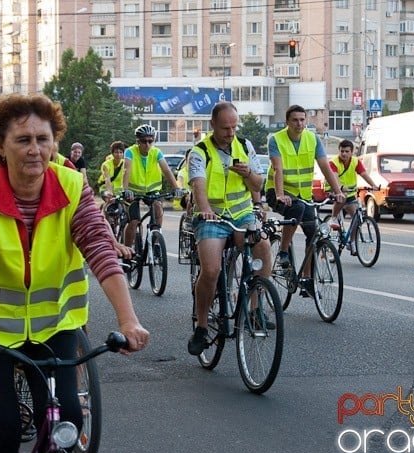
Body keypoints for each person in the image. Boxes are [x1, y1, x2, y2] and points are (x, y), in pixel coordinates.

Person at [0, 93, 149, 453]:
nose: (35, 149)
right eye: (23, 140)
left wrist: (128, 320)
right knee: (1, 427)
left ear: (55, 142)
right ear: (0, 145)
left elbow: (100, 250)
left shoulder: (72, 186)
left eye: (43, 139)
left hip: (54, 326)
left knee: (66, 417)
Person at [186, 102, 271, 355]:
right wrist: (205, 210)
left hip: (242, 213)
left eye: (234, 127)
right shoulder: (200, 152)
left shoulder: (245, 146)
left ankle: (254, 310)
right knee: (211, 270)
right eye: (225, 128)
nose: (231, 132)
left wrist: (248, 174)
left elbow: (258, 184)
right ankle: (201, 326)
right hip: (213, 216)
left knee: (263, 247)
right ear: (212, 125)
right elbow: (198, 184)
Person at [267, 105, 345, 296]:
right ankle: (283, 252)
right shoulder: (276, 139)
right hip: (278, 192)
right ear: (287, 122)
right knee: (297, 209)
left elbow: (326, 167)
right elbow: (278, 168)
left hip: (303, 194)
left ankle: (307, 280)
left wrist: (338, 192)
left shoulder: (312, 139)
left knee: (314, 233)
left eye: (302, 120)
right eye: (295, 120)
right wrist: (279, 194)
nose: (299, 124)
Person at [121, 124, 181, 247]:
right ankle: (127, 252)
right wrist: (125, 190)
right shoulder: (130, 152)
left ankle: (156, 237)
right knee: (134, 222)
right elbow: (126, 170)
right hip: (133, 191)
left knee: (158, 207)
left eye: (150, 141)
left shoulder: (156, 152)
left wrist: (176, 188)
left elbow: (166, 170)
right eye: (144, 141)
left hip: (152, 191)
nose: (147, 144)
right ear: (138, 141)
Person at [327, 139, 378, 252]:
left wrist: (373, 185)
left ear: (352, 152)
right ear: (339, 151)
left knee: (356, 217)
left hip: (350, 192)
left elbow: (364, 174)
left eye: (347, 151)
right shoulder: (333, 162)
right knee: (341, 196)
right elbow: (334, 177)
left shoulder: (355, 161)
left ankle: (352, 241)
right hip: (334, 189)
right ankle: (334, 218)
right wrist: (339, 188)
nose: (344, 154)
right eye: (342, 151)